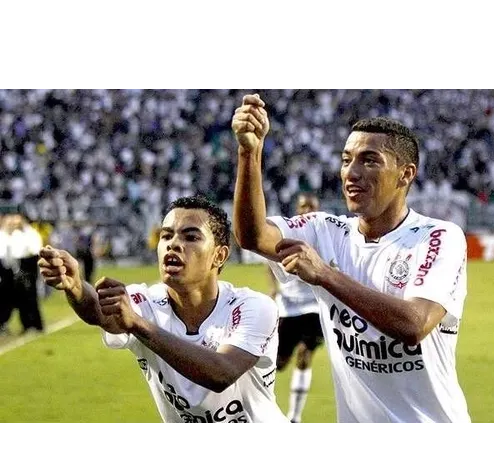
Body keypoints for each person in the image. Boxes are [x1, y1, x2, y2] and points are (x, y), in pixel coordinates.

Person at [231, 93, 471, 424]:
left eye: (369, 160)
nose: (351, 173)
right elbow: (252, 236)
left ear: (405, 174)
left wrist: (326, 275)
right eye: (346, 160)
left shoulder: (439, 237)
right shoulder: (325, 231)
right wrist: (250, 152)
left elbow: (414, 325)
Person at [38, 195, 289, 424]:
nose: (174, 244)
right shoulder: (146, 301)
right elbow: (102, 313)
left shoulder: (254, 307)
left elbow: (221, 373)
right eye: (166, 236)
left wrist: (138, 324)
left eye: (191, 237)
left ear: (219, 255)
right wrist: (76, 287)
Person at [267, 192, 325, 424]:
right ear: (297, 208)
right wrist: (274, 288)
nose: (307, 210)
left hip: (314, 307)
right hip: (288, 307)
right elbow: (268, 263)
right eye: (303, 206)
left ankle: (294, 417)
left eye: (311, 206)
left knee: (305, 355)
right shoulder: (288, 233)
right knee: (279, 363)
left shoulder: (326, 234)